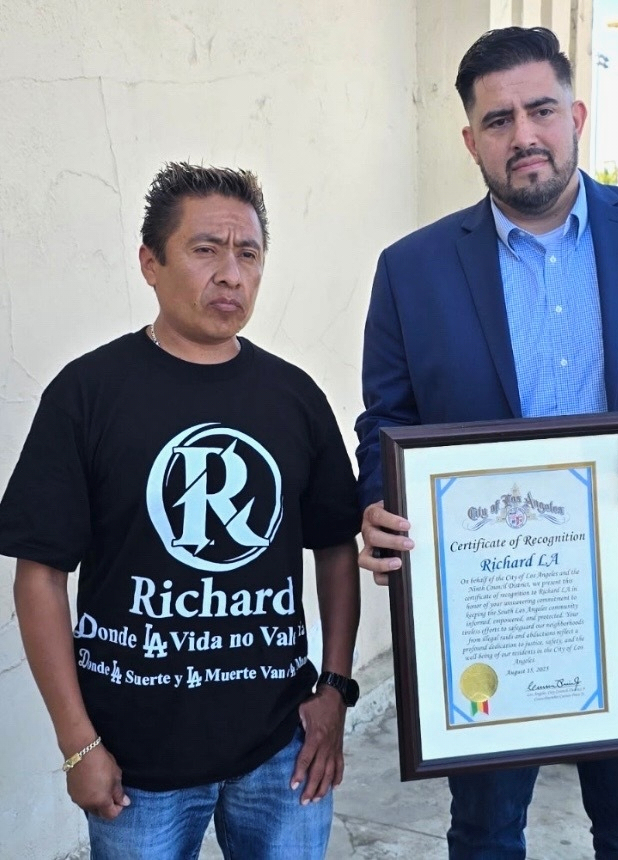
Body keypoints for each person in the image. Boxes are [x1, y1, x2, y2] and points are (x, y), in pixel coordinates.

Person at [355, 26, 618, 860]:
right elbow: (386, 421)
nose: (524, 135)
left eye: (541, 109)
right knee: (485, 834)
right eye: (498, 120)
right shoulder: (412, 269)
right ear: (471, 140)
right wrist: (376, 502)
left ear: (576, 115)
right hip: (484, 618)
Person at [0, 162, 361, 860]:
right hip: (136, 768)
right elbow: (38, 575)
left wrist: (336, 689)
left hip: (280, 752)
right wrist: (78, 745)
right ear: (150, 262)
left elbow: (335, 547)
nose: (231, 274)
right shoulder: (87, 394)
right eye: (206, 249)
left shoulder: (295, 399)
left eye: (248, 253)